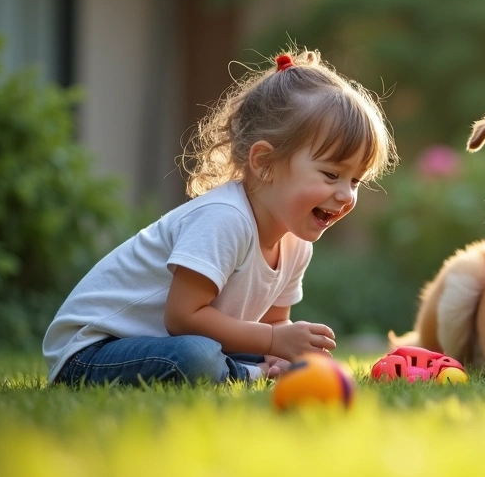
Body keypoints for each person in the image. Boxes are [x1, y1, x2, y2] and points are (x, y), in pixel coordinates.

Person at [43, 49, 396, 386]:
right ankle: (243, 375)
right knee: (197, 356)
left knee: (276, 356)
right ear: (264, 163)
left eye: (356, 181)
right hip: (92, 352)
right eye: (331, 175)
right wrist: (274, 341)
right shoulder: (225, 219)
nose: (346, 195)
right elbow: (183, 317)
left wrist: (282, 353)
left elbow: (273, 324)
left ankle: (246, 370)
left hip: (164, 341)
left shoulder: (295, 241)